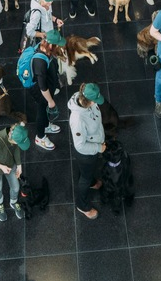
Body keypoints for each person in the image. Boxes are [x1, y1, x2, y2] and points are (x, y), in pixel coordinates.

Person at [69, 82, 107, 220]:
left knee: (87, 172)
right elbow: (80, 146)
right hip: (86, 154)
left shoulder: (85, 101)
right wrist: (99, 148)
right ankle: (82, 205)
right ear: (87, 101)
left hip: (94, 145)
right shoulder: (77, 119)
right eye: (94, 101)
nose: (96, 103)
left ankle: (91, 182)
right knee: (84, 177)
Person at [0, 123, 31, 221]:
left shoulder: (15, 136)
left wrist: (19, 165)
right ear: (11, 138)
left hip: (9, 163)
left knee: (16, 187)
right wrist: (2, 167)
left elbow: (16, 148)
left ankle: (13, 202)